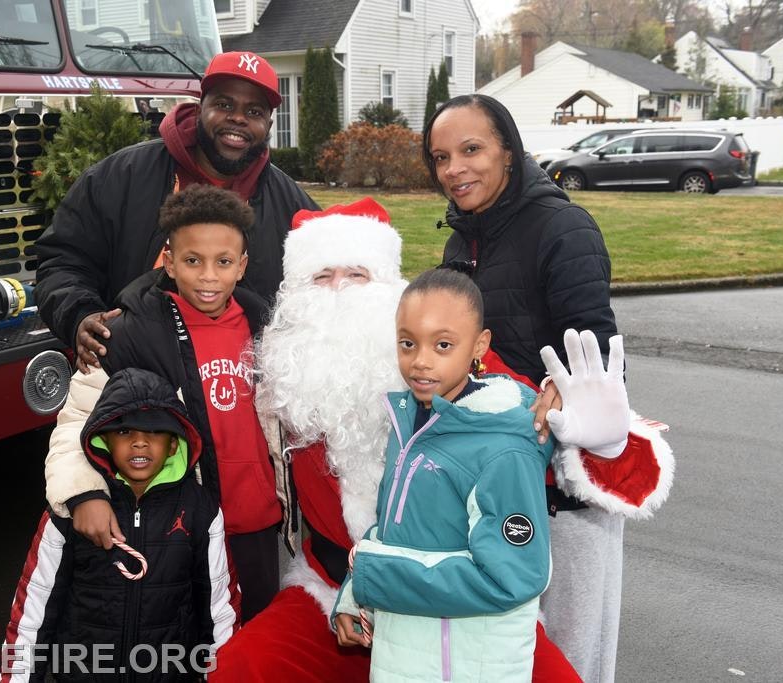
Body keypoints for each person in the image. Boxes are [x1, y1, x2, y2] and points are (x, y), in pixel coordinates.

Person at [211, 200, 607, 682]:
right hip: (334, 591)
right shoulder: (280, 379)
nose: (338, 290)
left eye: (357, 274)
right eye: (321, 277)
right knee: (238, 671)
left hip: (464, 606)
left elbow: (553, 435)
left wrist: (593, 429)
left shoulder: (453, 370)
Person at [422, 93, 674, 682]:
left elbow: (599, 363)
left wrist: (566, 403)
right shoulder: (463, 239)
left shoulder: (562, 227)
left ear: (508, 150)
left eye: (471, 149)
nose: (453, 168)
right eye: (440, 157)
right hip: (499, 478)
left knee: (570, 654)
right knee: (508, 651)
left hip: (567, 486)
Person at [44, 185, 292, 624]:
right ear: (169, 261)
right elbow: (77, 420)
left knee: (256, 633)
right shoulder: (127, 332)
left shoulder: (264, 326)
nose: (209, 276)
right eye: (193, 261)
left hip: (256, 521)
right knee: (187, 637)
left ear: (243, 266)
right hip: (178, 526)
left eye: (224, 262)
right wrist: (83, 493)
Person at [331, 268, 556, 682]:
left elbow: (512, 576)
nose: (420, 360)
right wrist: (353, 596)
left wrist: (373, 577)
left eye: (443, 344)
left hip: (467, 665)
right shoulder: (411, 422)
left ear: (479, 345)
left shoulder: (503, 446)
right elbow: (395, 533)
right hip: (404, 656)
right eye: (407, 343)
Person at [34, 50, 319, 373]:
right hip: (135, 379)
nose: (238, 118)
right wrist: (80, 316)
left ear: (268, 124)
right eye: (224, 104)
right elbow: (63, 260)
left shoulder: (293, 207)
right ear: (201, 109)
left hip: (241, 388)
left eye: (253, 111)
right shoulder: (122, 176)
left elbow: (331, 291)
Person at [0, 366, 238, 682]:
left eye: (154, 431)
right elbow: (32, 613)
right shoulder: (73, 511)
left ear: (174, 444)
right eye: (125, 432)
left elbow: (219, 613)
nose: (140, 443)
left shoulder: (200, 511)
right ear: (104, 439)